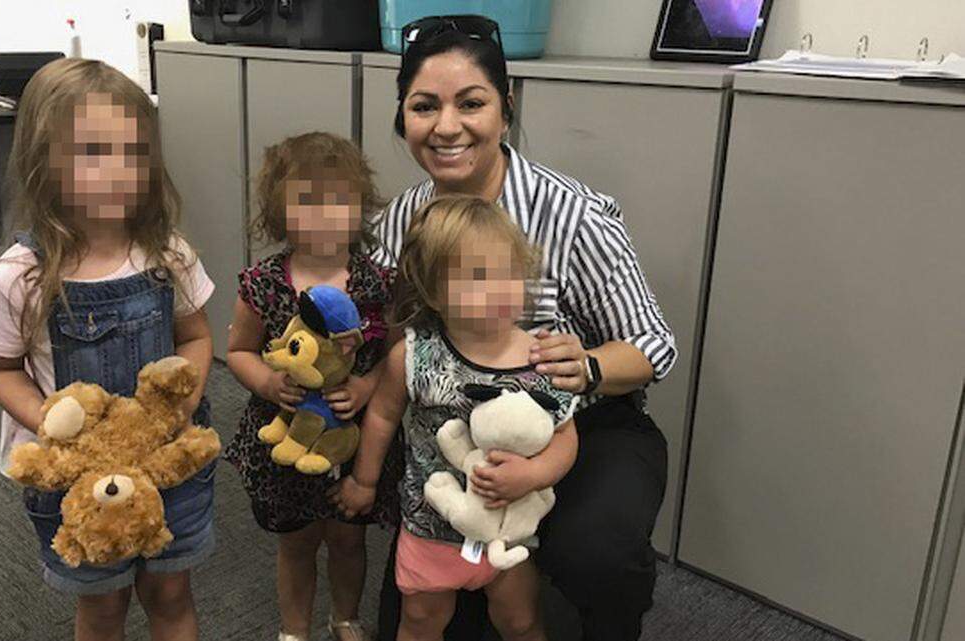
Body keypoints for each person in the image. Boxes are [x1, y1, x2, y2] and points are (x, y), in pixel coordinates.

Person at [372, 15, 677, 641]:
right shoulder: (401, 220)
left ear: (505, 110)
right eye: (424, 106)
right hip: (455, 434)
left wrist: (588, 364)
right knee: (415, 619)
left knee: (596, 553)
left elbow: (654, 345)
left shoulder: (574, 214)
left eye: (471, 103)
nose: (447, 126)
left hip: (581, 421)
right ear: (403, 118)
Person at [0, 58, 217, 641]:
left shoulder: (168, 254)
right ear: (42, 160)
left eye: (133, 151)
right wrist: (48, 421)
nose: (117, 171)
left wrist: (180, 411)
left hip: (168, 463)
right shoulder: (20, 276)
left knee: (170, 591)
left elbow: (197, 335)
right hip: (75, 475)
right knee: (102, 606)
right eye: (91, 151)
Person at [333, 194, 579, 641]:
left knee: (520, 620)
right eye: (478, 278)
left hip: (510, 530)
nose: (500, 290)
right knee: (422, 623)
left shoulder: (541, 355)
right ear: (433, 291)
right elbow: (384, 417)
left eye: (510, 273)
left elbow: (565, 435)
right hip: (431, 525)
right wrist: (364, 480)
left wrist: (534, 473)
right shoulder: (414, 352)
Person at [224, 132, 401, 641]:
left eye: (338, 200)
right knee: (296, 545)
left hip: (354, 442)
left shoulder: (376, 282)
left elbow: (396, 350)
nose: (324, 214)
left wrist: (368, 385)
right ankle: (294, 629)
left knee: (348, 541)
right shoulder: (263, 282)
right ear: (278, 212)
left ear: (360, 206)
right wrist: (266, 380)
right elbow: (238, 351)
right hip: (285, 435)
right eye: (307, 201)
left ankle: (345, 617)